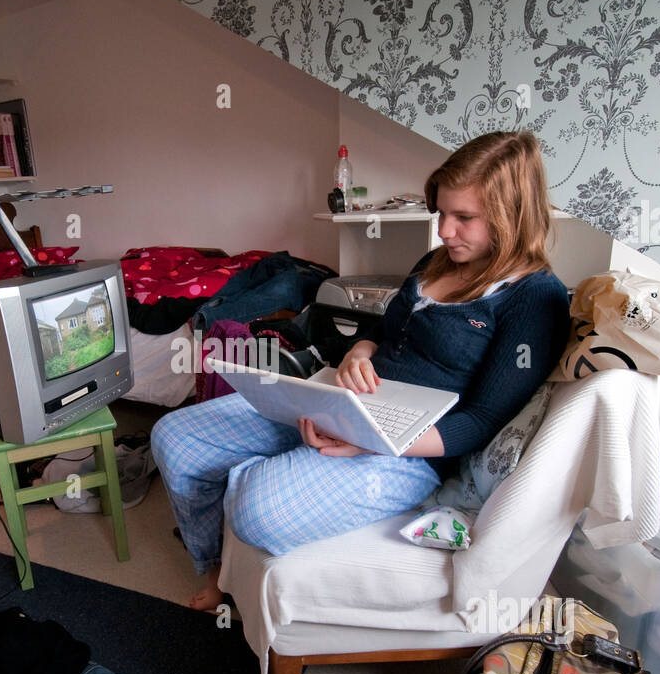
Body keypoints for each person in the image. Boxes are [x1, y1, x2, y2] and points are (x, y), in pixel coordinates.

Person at [150, 131, 570, 610]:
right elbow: (383, 335)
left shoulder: (534, 297)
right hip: (340, 399)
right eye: (442, 214)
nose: (445, 231)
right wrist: (359, 353)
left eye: (464, 218)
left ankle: (244, 491)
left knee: (255, 509)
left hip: (408, 452)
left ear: (512, 215)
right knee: (174, 437)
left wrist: (372, 438)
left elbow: (480, 421)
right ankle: (212, 567)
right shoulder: (436, 261)